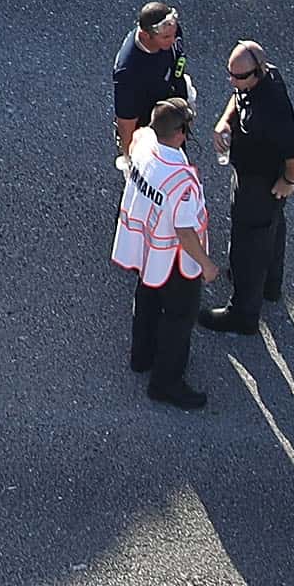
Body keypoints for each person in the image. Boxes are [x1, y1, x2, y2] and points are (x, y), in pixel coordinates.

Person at [111, 99, 216, 409]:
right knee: (178, 319)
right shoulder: (181, 182)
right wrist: (206, 265)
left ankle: (141, 356)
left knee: (146, 299)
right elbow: (185, 231)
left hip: (146, 248)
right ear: (182, 132)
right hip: (174, 261)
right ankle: (166, 382)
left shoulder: (143, 142)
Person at [202, 44, 294, 336]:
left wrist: (289, 182)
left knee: (247, 246)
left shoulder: (270, 111)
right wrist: (225, 122)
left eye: (238, 77)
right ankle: (270, 286)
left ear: (257, 72)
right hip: (261, 179)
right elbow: (238, 98)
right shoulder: (261, 78)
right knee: (272, 229)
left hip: (259, 185)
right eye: (230, 75)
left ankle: (242, 314)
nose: (232, 82)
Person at [112, 2, 196, 160]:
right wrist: (131, 159)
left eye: (173, 34)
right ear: (145, 35)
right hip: (150, 131)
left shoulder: (171, 30)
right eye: (165, 37)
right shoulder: (129, 71)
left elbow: (177, 63)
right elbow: (126, 123)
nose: (172, 40)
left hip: (172, 114)